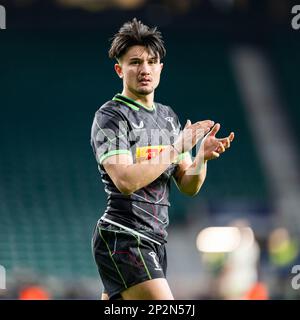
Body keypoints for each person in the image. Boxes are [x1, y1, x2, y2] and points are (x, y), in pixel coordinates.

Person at [91, 18, 235, 300]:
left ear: (160, 68)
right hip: (124, 235)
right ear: (120, 69)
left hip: (156, 239)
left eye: (151, 61)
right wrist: (176, 147)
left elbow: (188, 186)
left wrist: (200, 158)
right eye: (135, 62)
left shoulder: (168, 117)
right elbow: (126, 181)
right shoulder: (111, 116)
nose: (144, 69)